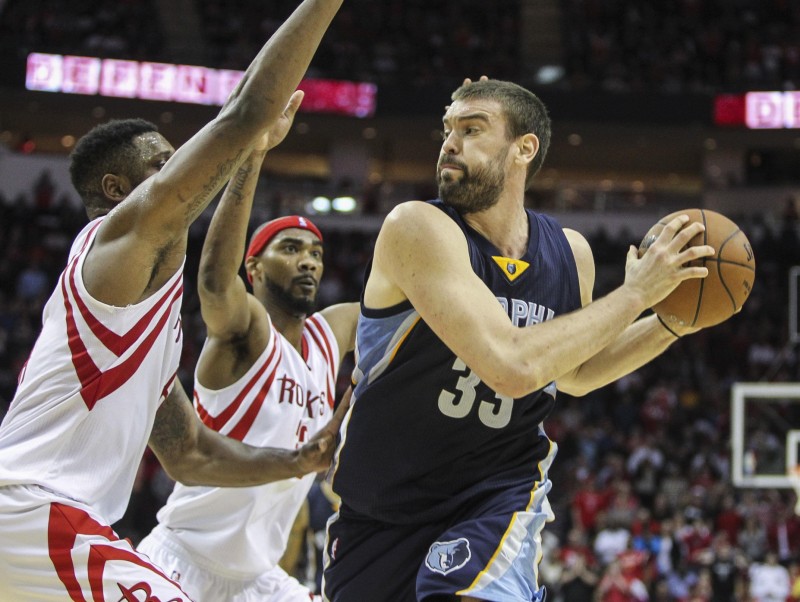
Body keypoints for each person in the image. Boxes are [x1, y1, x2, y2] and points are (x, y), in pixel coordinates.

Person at [0, 0, 345, 598]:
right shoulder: (109, 251)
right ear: (118, 190)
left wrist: (299, 461)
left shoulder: (148, 319)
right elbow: (243, 115)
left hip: (59, 523)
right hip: (33, 510)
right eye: (162, 165)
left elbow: (189, 455)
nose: (180, 172)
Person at [322, 78, 716, 601]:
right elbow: (510, 366)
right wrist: (637, 294)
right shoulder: (417, 227)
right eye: (447, 129)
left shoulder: (569, 252)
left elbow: (573, 374)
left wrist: (669, 325)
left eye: (472, 129)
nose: (450, 143)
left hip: (494, 493)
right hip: (381, 509)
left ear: (523, 148)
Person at [136, 89, 358, 601]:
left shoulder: (333, 332)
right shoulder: (247, 333)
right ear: (254, 269)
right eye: (291, 249)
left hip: (258, 581)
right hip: (183, 563)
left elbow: (408, 299)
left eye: (316, 253)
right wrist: (253, 154)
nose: (308, 261)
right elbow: (214, 280)